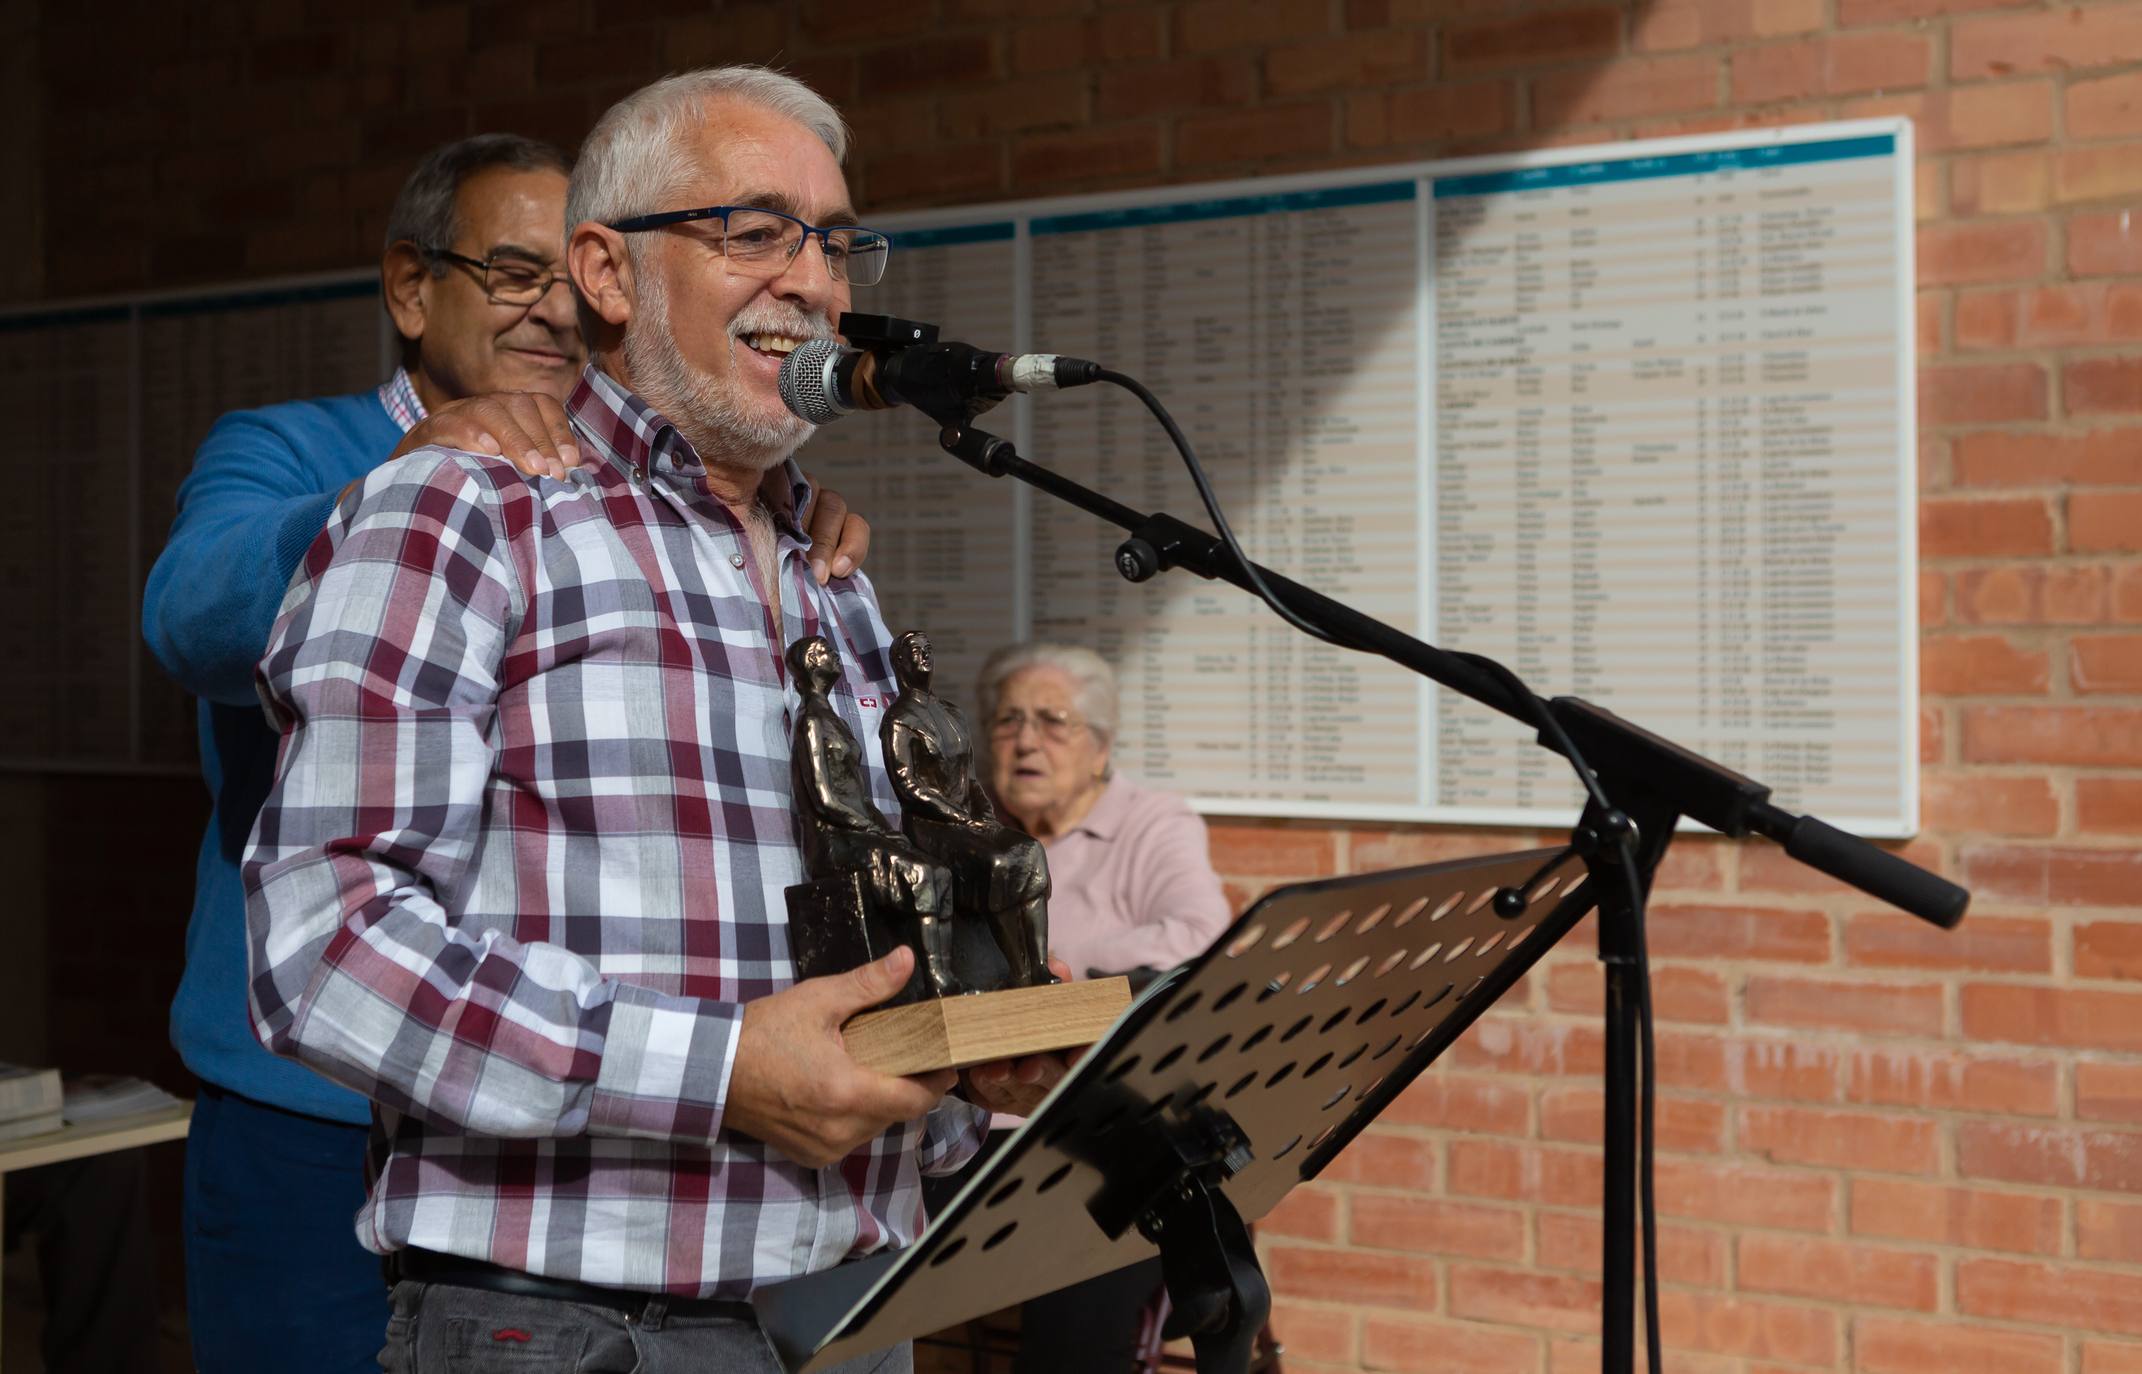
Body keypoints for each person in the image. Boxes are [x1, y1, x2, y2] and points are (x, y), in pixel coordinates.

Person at [241, 67, 1060, 1373]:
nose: (811, 278)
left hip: (853, 1309)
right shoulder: (463, 509)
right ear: (606, 275)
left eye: (835, 239)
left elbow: (837, 963)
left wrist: (972, 1052)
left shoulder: (827, 568)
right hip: (578, 1330)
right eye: (752, 232)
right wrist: (719, 1069)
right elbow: (323, 951)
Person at [141, 131, 872, 1373]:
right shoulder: (303, 449)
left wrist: (756, 523)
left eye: (565, 277)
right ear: (414, 290)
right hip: (315, 1094)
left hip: (571, 1119)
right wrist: (409, 480)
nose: (549, 308)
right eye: (509, 271)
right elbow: (188, 615)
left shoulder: (617, 489)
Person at [973, 640, 1235, 1374]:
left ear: (1100, 748)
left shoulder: (1151, 822)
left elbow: (1202, 940)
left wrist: (1048, 983)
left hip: (1100, 1128)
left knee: (1081, 1296)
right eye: (1007, 721)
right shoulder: (974, 836)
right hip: (970, 1121)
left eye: (1052, 721)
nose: (1026, 740)